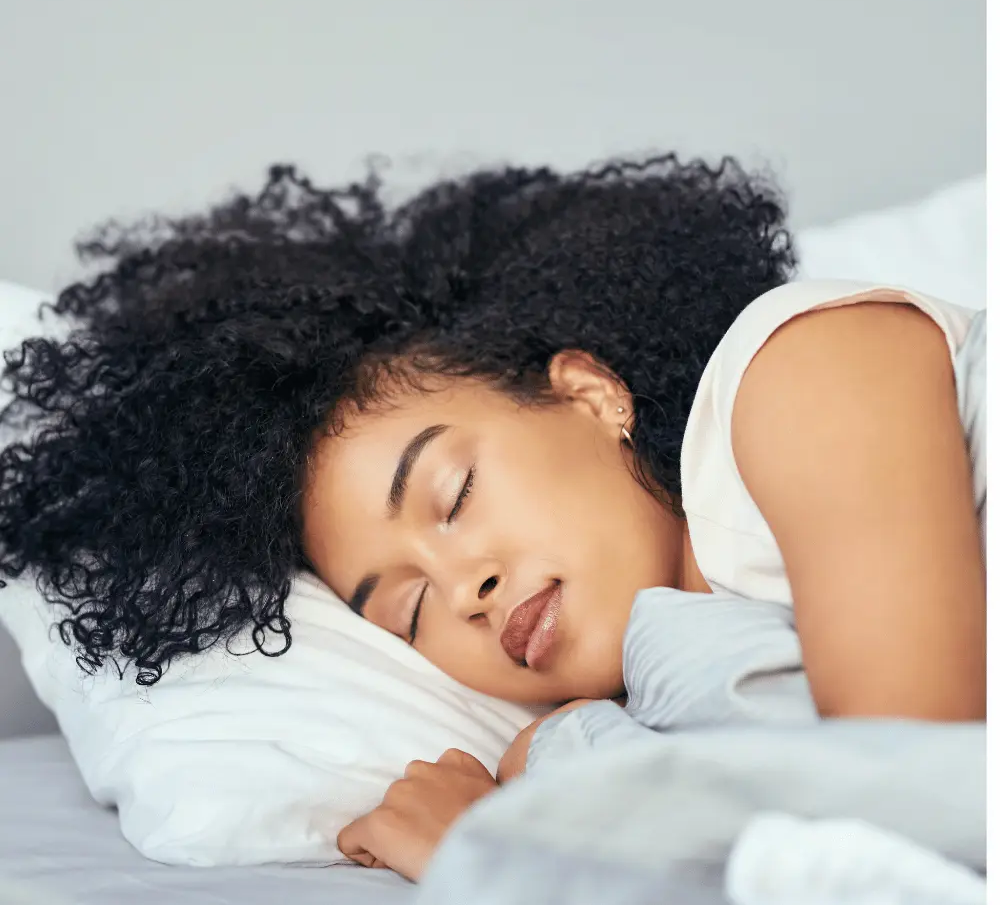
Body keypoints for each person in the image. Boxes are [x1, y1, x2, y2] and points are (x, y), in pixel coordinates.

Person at [0, 155, 986, 881]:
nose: (463, 591)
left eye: (453, 495)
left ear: (590, 394)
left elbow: (908, 808)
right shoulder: (626, 710)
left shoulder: (803, 367)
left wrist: (491, 853)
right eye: (407, 610)